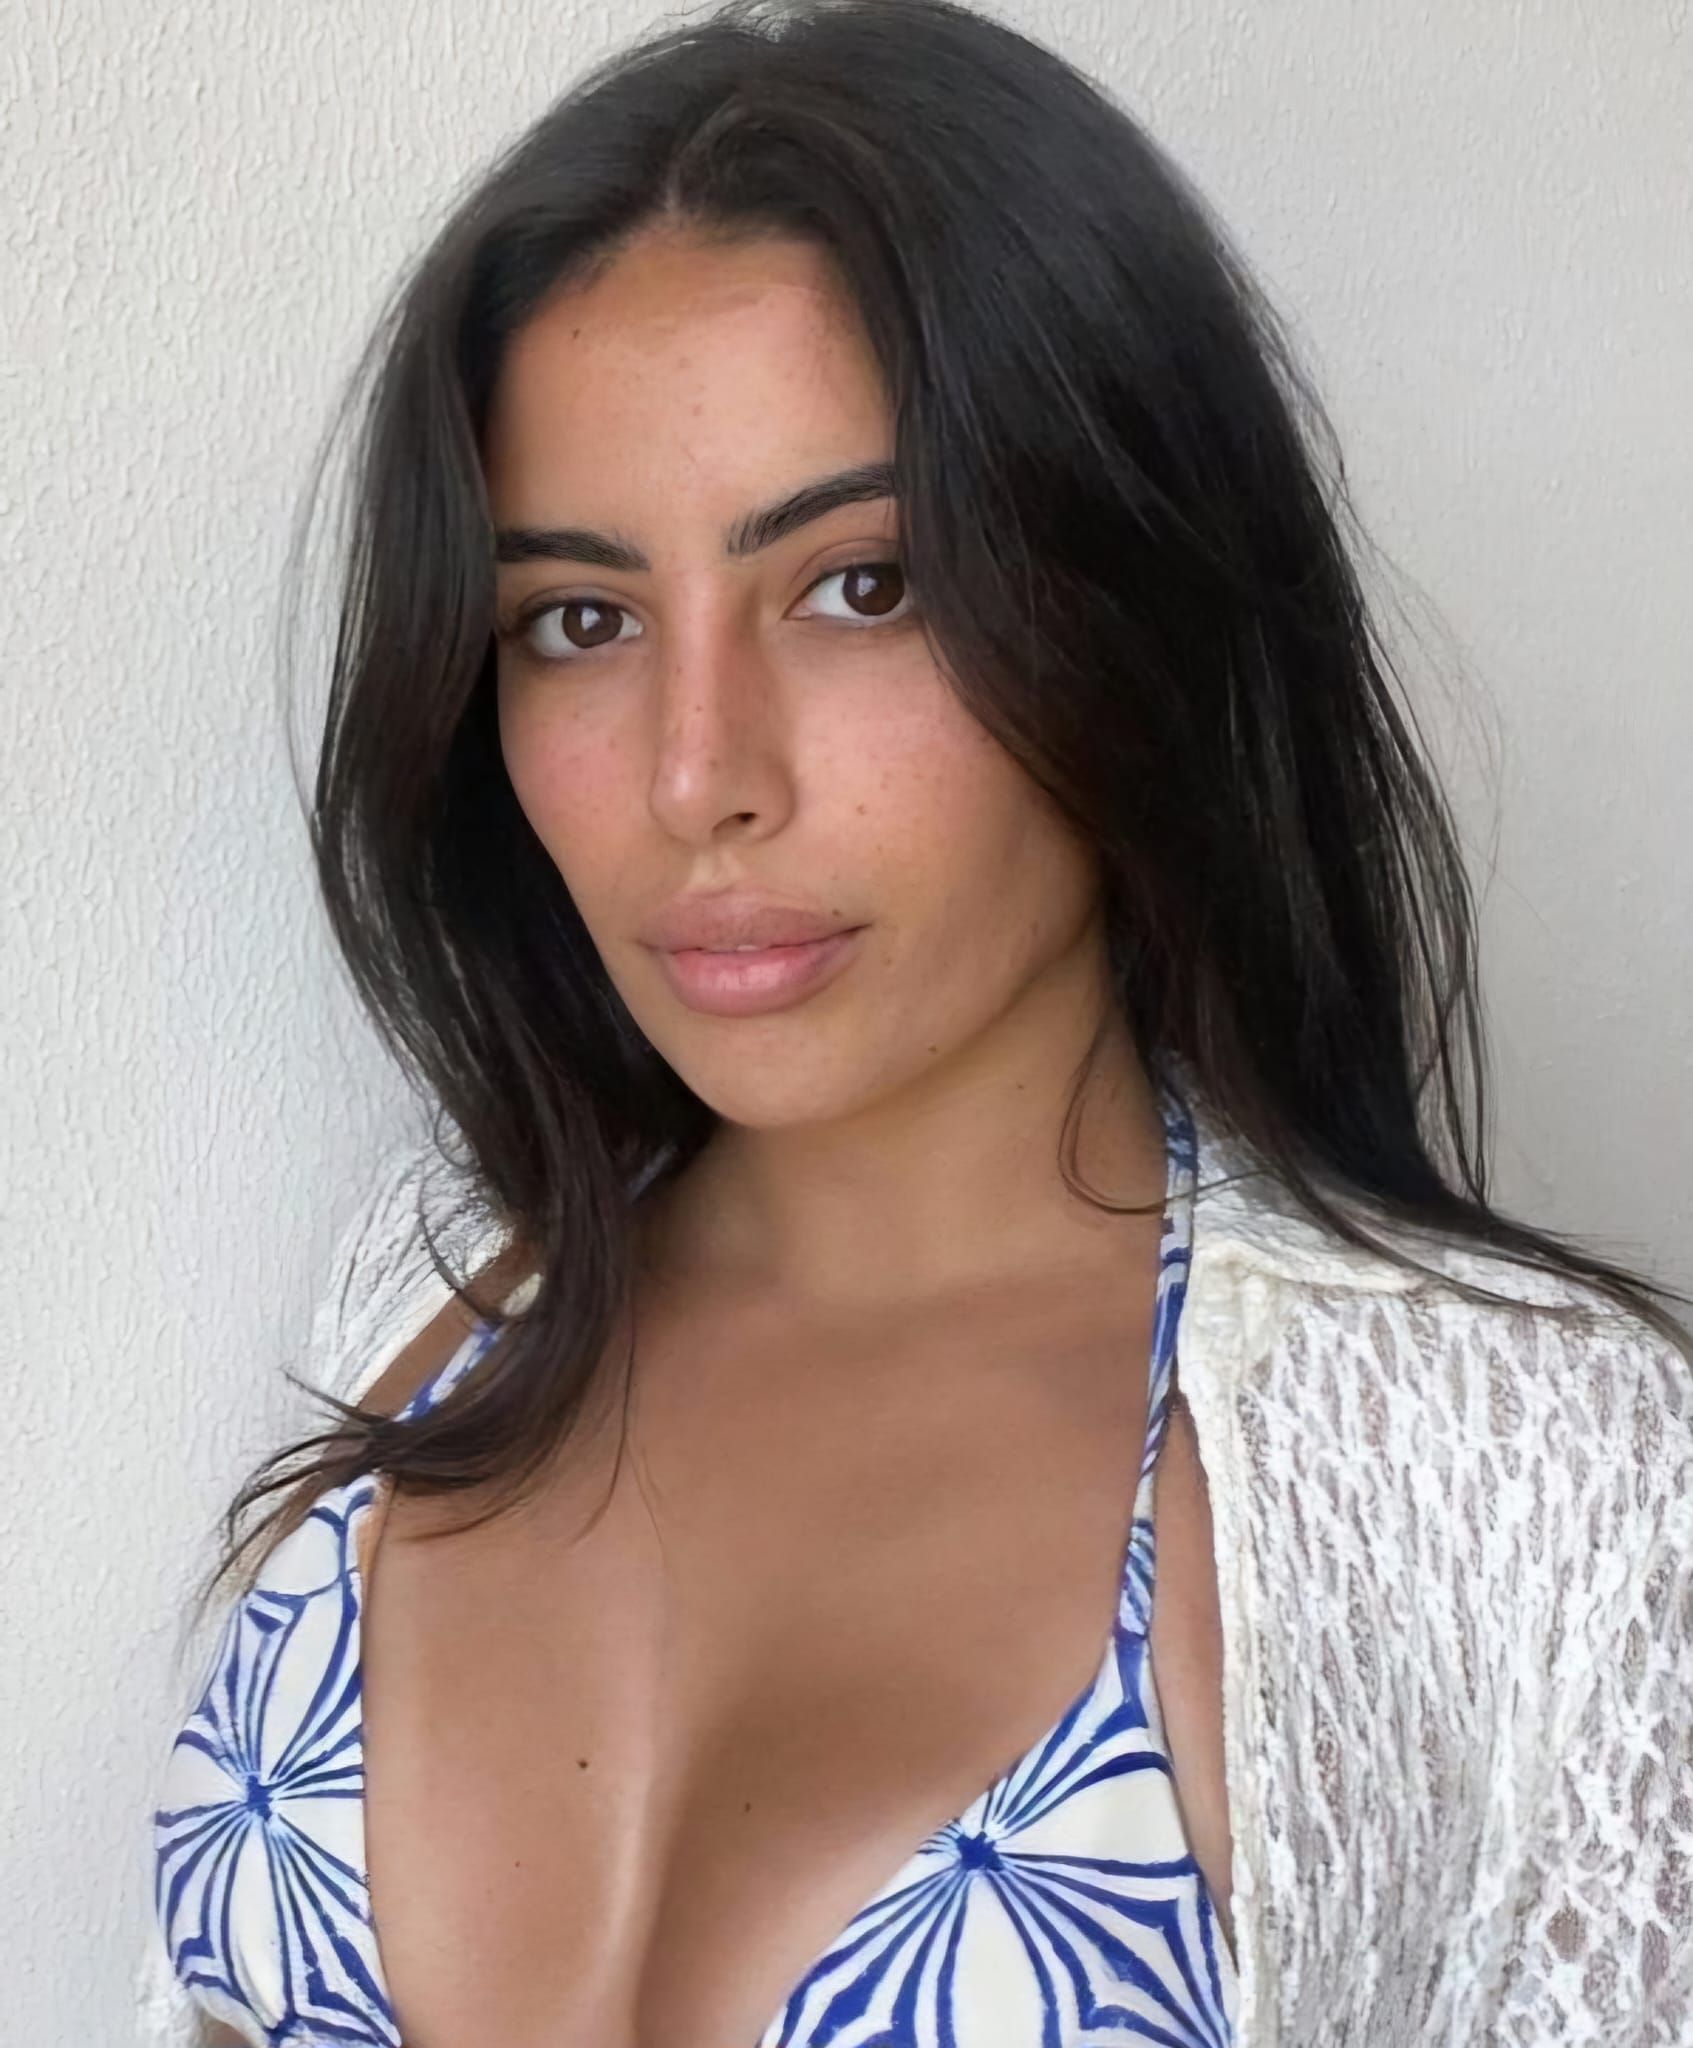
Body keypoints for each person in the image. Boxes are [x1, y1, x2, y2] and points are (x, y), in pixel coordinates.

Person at [141, 2, 1693, 2043]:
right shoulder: (442, 1277)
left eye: (861, 583)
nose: (697, 775)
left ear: (1136, 607)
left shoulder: (1532, 1472)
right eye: (580, 620)